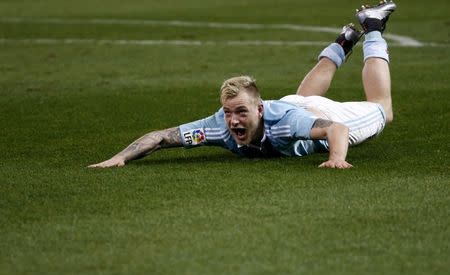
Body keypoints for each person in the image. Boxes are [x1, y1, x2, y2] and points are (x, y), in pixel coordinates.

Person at [88, 1, 396, 169]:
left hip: (305, 112)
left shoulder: (286, 124)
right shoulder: (218, 127)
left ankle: (373, 27)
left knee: (383, 108)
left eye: (240, 112)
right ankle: (343, 42)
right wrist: (119, 158)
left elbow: (337, 130)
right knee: (302, 99)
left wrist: (336, 159)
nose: (233, 120)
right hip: (295, 106)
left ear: (259, 110)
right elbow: (162, 137)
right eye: (227, 112)